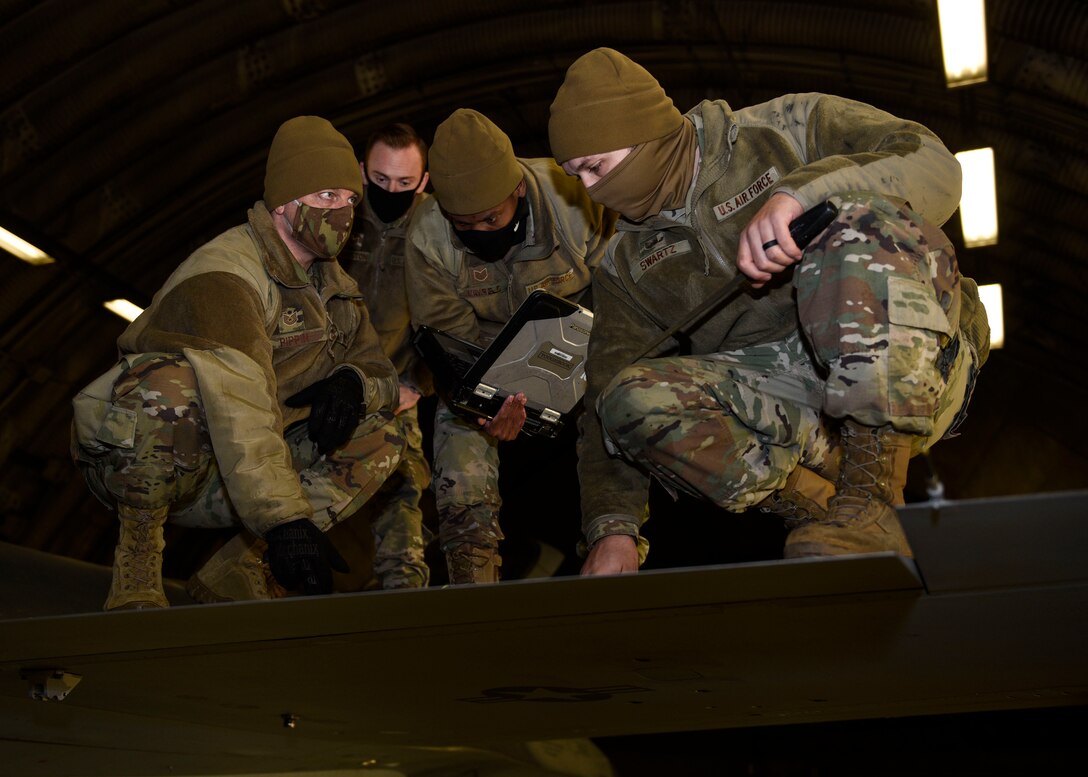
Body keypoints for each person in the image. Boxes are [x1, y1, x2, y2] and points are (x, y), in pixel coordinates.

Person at [546, 48, 990, 575]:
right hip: (802, 411)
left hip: (915, 365)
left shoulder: (787, 130)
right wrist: (612, 528)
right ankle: (834, 514)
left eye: (595, 167)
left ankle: (874, 495)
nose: (591, 189)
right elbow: (603, 393)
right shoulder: (627, 264)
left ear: (642, 132)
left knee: (858, 227)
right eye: (576, 177)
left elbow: (936, 167)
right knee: (627, 400)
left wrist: (802, 196)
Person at [71, 115, 406, 609]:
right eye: (326, 197)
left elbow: (383, 374)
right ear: (285, 202)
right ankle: (137, 561)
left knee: (383, 433)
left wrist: (355, 384)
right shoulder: (225, 276)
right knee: (170, 385)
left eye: (350, 198)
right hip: (157, 460)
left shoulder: (335, 286)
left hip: (239, 476)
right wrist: (285, 520)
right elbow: (239, 403)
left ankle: (242, 570)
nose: (343, 213)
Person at [405, 108, 617, 584]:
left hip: (586, 341)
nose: (480, 232)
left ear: (518, 189)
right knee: (454, 422)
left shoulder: (574, 201)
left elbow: (621, 289)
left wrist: (594, 367)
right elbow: (450, 341)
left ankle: (614, 541)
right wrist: (482, 402)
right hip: (489, 353)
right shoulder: (429, 237)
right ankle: (470, 565)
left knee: (627, 404)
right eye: (465, 224)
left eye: (489, 219)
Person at [339, 123, 432, 590]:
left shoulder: (435, 232)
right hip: (327, 381)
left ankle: (402, 593)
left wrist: (419, 383)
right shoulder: (336, 218)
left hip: (395, 387)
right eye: (379, 180)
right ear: (361, 172)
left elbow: (452, 320)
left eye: (403, 183)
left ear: (424, 180)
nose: (390, 192)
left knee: (402, 484)